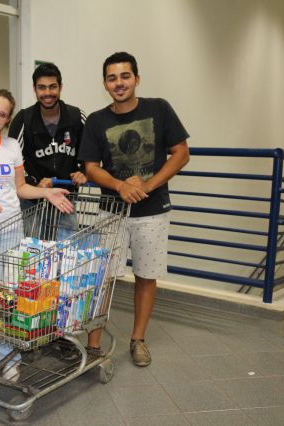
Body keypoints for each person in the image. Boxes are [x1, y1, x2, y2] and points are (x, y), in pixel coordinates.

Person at [79, 52, 190, 367]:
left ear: (137, 79)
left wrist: (148, 185)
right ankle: (93, 345)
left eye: (125, 76)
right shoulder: (97, 121)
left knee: (146, 276)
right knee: (103, 279)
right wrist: (120, 186)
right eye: (112, 78)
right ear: (105, 84)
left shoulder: (159, 109)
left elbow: (181, 153)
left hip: (153, 212)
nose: (119, 83)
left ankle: (138, 339)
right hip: (111, 212)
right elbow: (90, 167)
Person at [0, 89, 73, 381]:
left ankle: (10, 356)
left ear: (8, 119)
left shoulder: (10, 147)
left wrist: (46, 193)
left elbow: (20, 187)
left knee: (8, 294)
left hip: (9, 228)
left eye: (3, 114)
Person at [8, 63, 86, 240]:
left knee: (66, 254)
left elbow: (90, 156)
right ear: (34, 89)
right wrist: (35, 183)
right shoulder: (23, 120)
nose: (47, 93)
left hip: (65, 201)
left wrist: (83, 172)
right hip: (32, 204)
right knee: (32, 253)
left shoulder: (77, 117)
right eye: (41, 87)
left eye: (52, 87)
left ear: (60, 87)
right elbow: (12, 161)